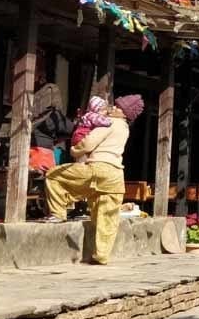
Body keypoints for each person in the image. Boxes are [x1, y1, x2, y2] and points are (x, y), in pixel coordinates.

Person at [43, 95, 144, 265]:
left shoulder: (109, 122)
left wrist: (75, 150)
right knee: (107, 219)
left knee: (53, 175)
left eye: (118, 107)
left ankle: (59, 213)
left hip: (97, 168)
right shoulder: (125, 128)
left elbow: (89, 143)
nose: (113, 108)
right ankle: (101, 256)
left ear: (124, 113)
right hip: (115, 176)